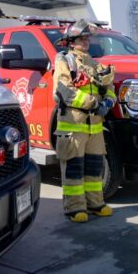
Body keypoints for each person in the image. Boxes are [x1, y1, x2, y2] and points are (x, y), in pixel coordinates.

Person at [52, 19, 116, 222]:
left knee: (94, 168)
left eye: (87, 38)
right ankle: (74, 208)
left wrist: (108, 102)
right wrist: (93, 103)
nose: (86, 42)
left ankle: (95, 203)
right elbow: (64, 91)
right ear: (71, 42)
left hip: (95, 128)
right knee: (74, 170)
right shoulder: (65, 61)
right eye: (81, 38)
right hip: (74, 127)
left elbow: (111, 90)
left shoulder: (95, 64)